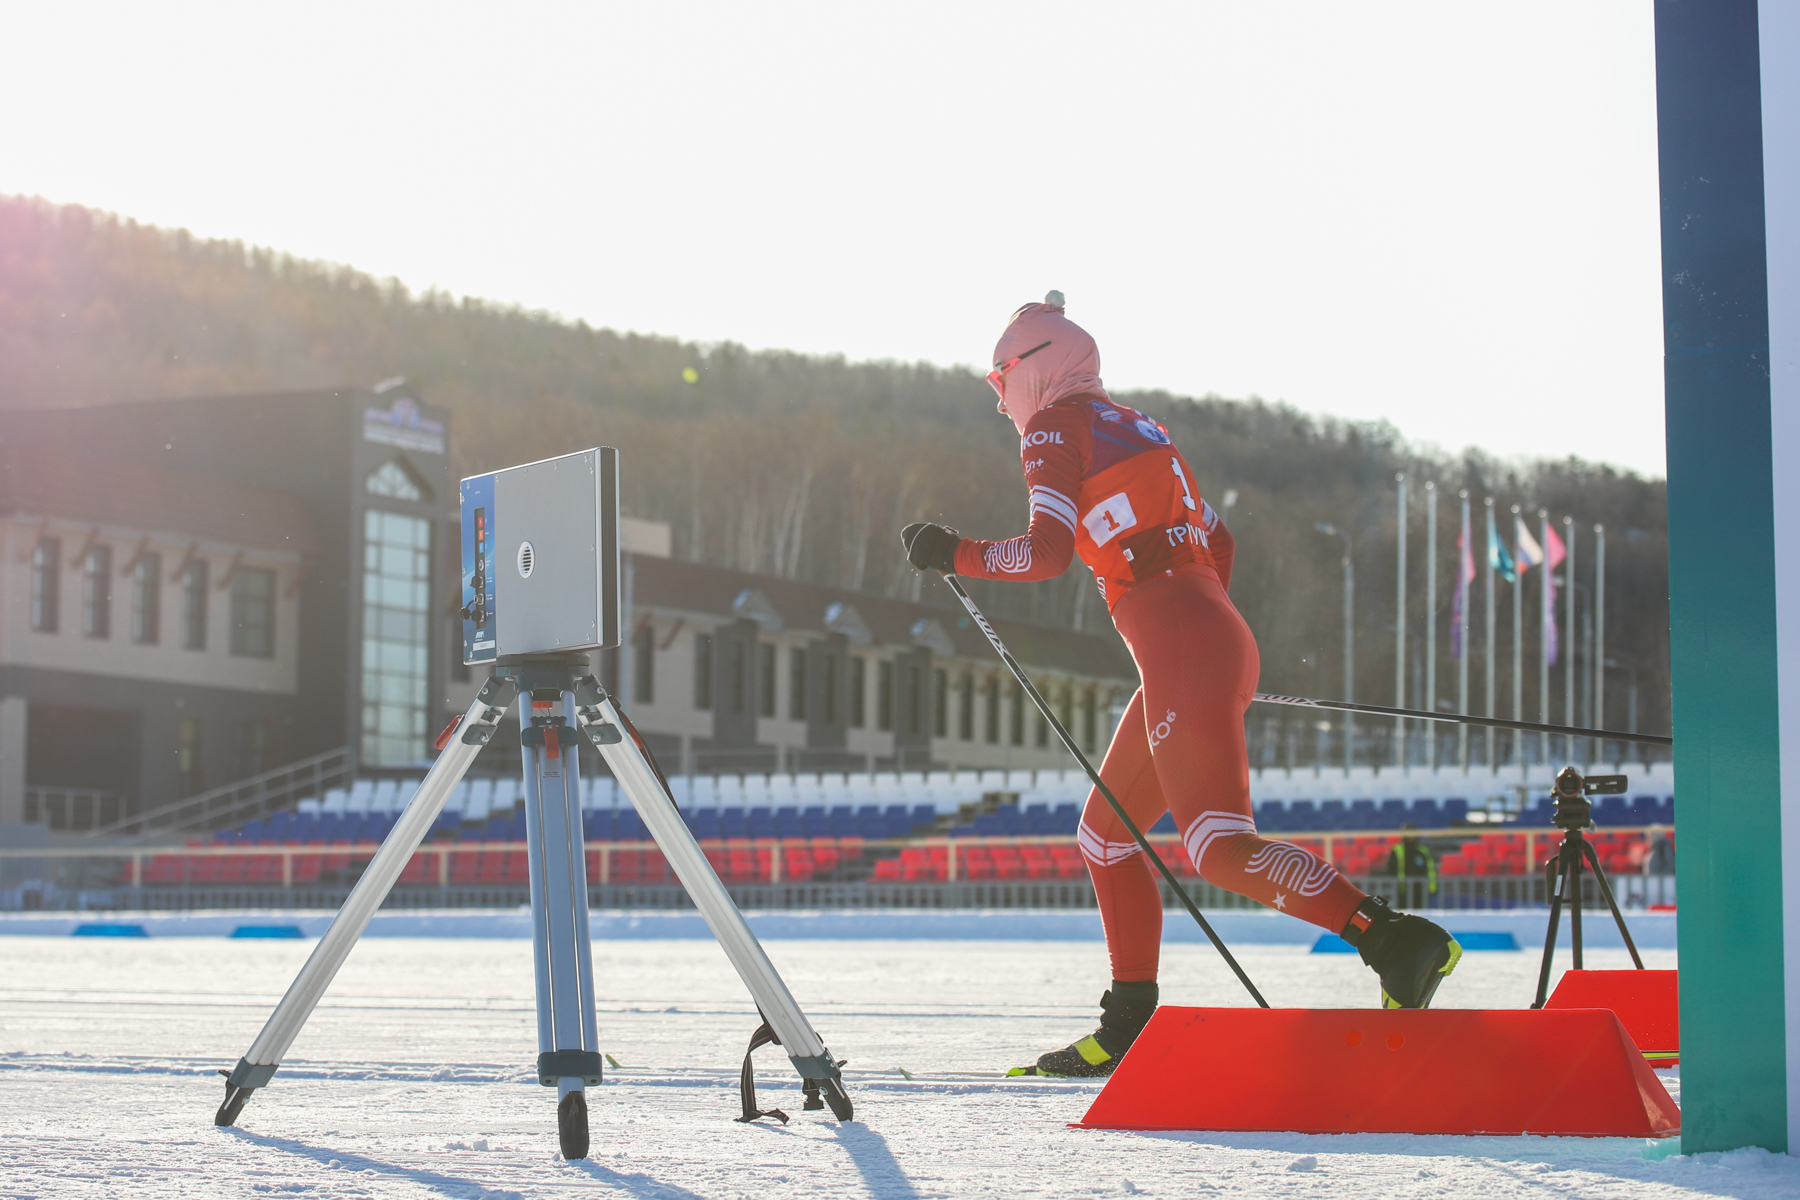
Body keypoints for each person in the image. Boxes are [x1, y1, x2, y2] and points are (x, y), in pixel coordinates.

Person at [901, 293, 1462, 1077]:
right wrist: (1201, 642)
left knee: (1216, 847)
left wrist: (953, 551)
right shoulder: (1140, 425)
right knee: (1105, 836)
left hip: (1187, 648)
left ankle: (1396, 940)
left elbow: (1047, 553)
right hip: (1198, 641)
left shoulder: (1054, 429)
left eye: (1000, 377)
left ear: (1033, 370)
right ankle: (1128, 1021)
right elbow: (1218, 538)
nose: (999, 398)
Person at [1385, 823, 1437, 911]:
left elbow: (1431, 870)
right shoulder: (1397, 850)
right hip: (1402, 891)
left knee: (1420, 918)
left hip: (1420, 890)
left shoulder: (1423, 850)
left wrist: (1432, 888)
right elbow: (1391, 870)